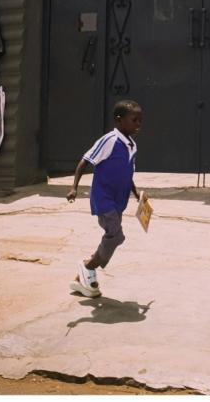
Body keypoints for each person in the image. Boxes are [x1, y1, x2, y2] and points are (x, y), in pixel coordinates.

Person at [66, 100, 143, 297]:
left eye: (140, 120)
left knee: (113, 237)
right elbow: (85, 161)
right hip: (104, 198)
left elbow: (128, 173)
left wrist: (136, 193)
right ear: (119, 120)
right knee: (116, 236)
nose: (138, 124)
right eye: (134, 120)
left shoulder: (132, 146)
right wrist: (74, 188)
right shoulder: (109, 140)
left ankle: (82, 277)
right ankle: (88, 266)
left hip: (120, 201)